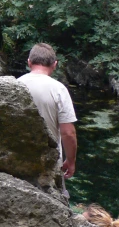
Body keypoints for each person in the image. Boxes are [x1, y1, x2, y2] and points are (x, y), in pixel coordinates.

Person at [18, 43, 78, 181]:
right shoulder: (59, 90)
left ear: (29, 62)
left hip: (17, 159)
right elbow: (68, 133)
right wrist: (71, 161)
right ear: (54, 64)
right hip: (48, 164)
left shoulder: (15, 84)